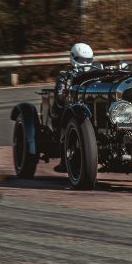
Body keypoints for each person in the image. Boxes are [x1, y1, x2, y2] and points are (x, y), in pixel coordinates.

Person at [51, 43, 95, 171]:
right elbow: (60, 96)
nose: (85, 63)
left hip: (86, 111)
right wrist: (67, 94)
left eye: (88, 60)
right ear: (73, 58)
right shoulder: (64, 76)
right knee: (68, 118)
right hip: (65, 111)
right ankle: (65, 160)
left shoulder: (95, 74)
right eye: (81, 60)